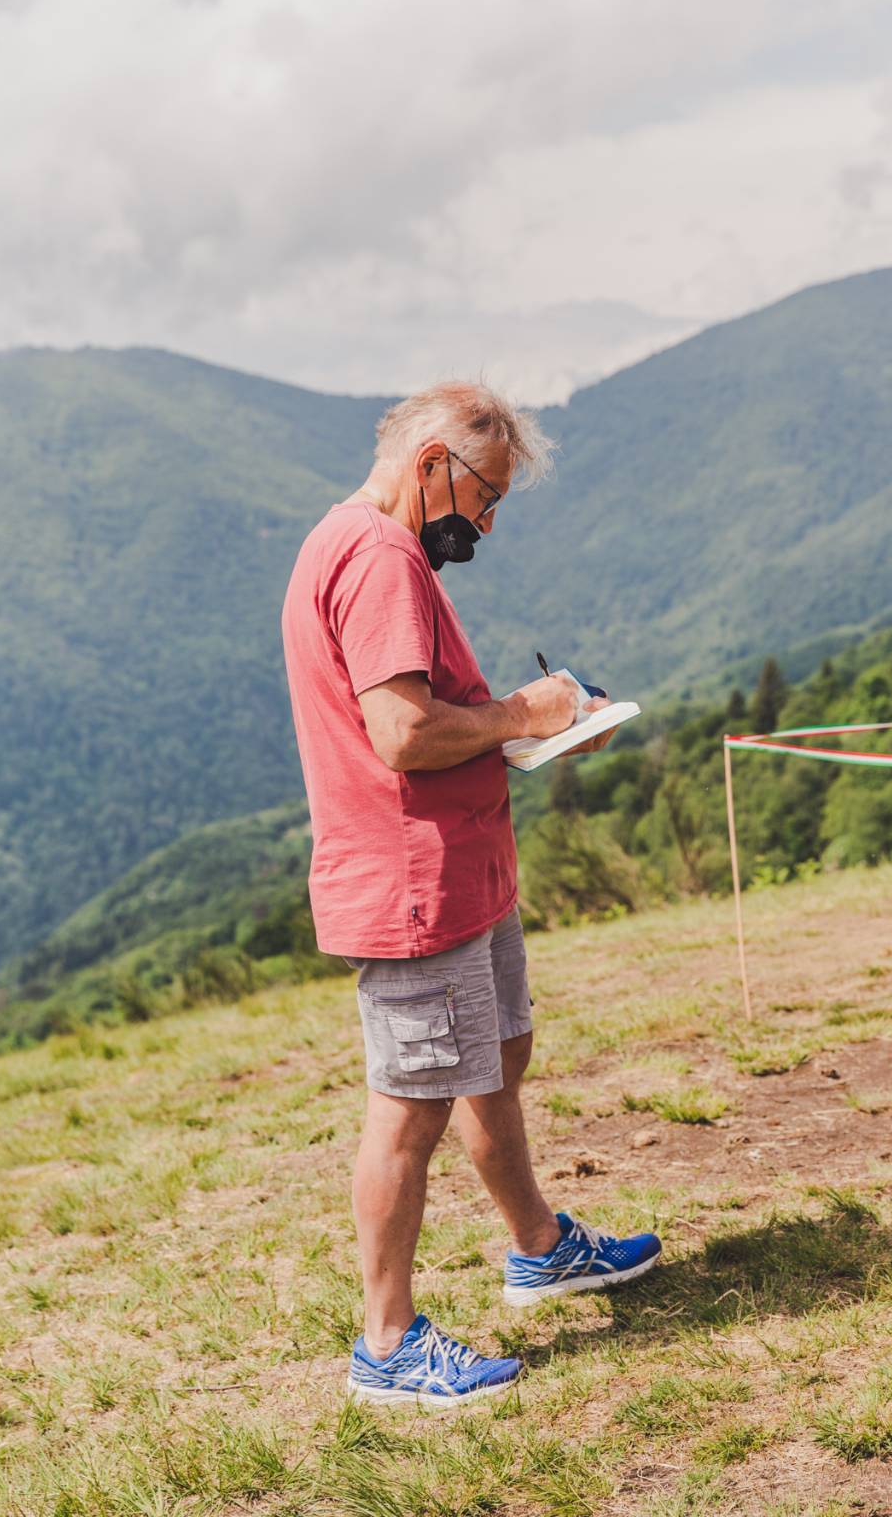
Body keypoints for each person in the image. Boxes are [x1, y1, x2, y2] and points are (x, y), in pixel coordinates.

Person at [281, 381, 661, 1409]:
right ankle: (388, 1343)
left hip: (457, 869)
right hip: (412, 882)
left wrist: (530, 725)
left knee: (496, 1057)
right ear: (431, 464)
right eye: (482, 498)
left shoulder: (359, 542)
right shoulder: (380, 560)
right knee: (408, 1109)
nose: (483, 524)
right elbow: (402, 736)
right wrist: (521, 713)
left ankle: (538, 1246)